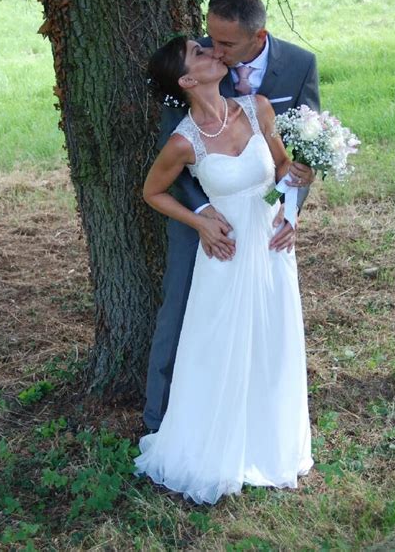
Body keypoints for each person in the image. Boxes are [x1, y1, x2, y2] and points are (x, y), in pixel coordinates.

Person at [134, 35, 313, 503]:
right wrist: (199, 220)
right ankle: (214, 446)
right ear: (188, 80)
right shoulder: (183, 141)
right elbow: (152, 192)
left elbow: (282, 170)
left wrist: (292, 203)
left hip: (271, 246)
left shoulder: (256, 108)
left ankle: (267, 442)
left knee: (271, 340)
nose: (213, 49)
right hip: (226, 254)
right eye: (199, 52)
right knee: (216, 347)